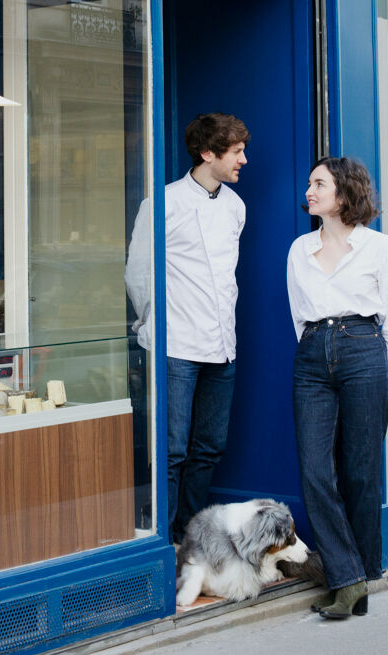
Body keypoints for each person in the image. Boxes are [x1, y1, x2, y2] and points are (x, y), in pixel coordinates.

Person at [286, 157, 388, 619]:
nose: (310, 190)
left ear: (344, 192)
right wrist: (316, 348)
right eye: (310, 182)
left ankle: (359, 579)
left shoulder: (380, 248)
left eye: (319, 183)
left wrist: (384, 368)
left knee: (360, 471)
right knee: (315, 471)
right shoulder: (300, 249)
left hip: (364, 349)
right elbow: (298, 312)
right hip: (313, 355)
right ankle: (348, 576)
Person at [125, 112, 250, 544]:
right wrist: (151, 324)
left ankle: (190, 536)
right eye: (237, 152)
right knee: (172, 450)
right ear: (208, 153)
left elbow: (227, 279)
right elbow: (139, 273)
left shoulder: (236, 207)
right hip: (176, 344)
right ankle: (163, 540)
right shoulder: (163, 203)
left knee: (209, 447)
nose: (244, 160)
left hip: (223, 346)